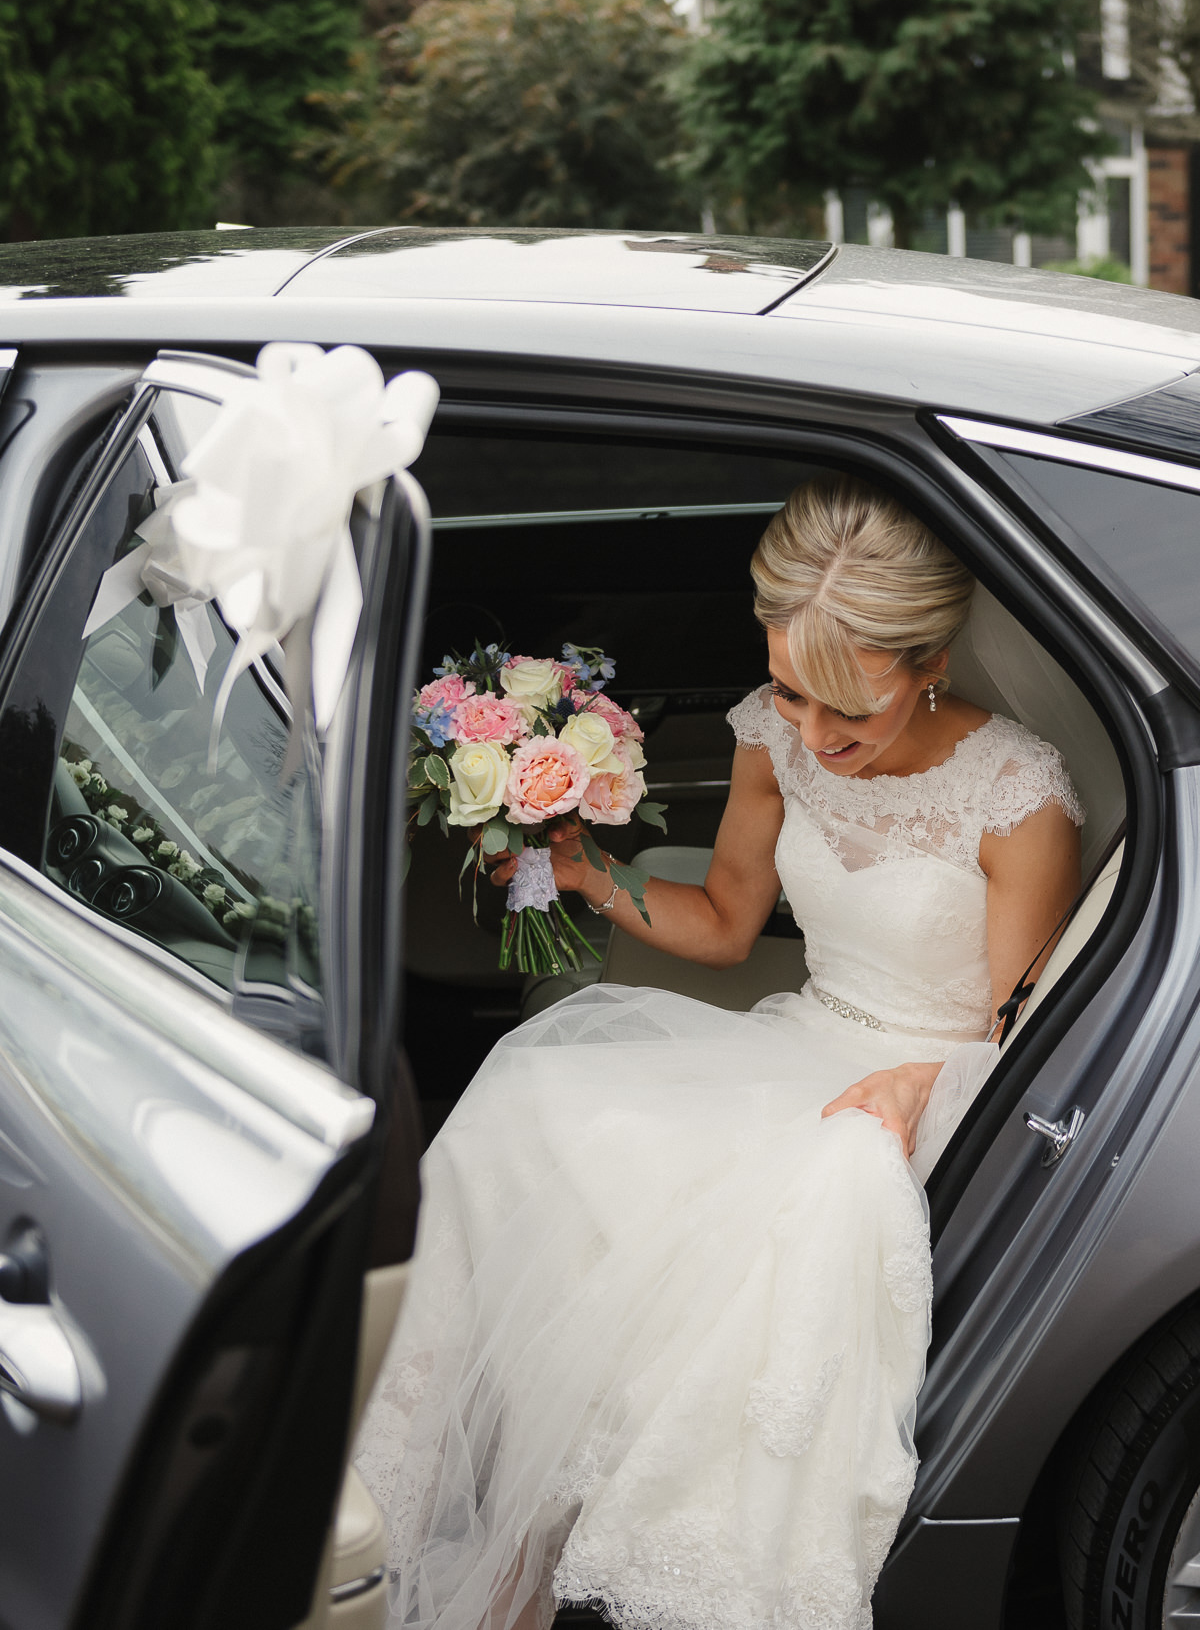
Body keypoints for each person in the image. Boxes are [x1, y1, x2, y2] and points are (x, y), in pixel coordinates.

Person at [356, 475, 1083, 1630]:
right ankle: (393, 1513)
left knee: (794, 1194)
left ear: (931, 657)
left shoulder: (1014, 796)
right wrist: (591, 874)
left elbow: (1032, 1033)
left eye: (849, 708)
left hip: (922, 1088)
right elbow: (728, 923)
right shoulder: (772, 738)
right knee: (531, 1085)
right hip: (801, 1039)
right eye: (792, 692)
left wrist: (921, 1079)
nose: (812, 735)